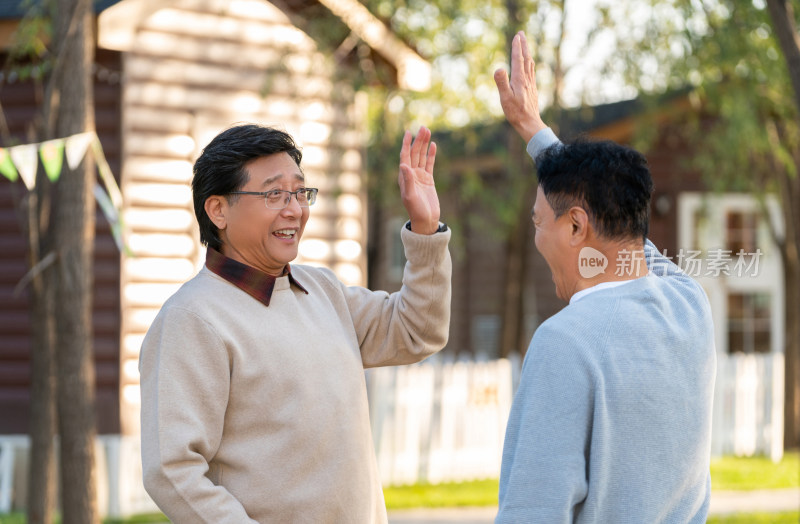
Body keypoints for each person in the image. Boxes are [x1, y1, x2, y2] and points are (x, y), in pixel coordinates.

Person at [139, 123, 451, 523]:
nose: (295, 209)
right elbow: (171, 470)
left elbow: (416, 332)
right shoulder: (192, 320)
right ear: (218, 210)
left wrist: (425, 230)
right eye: (273, 194)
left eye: (300, 192)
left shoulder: (322, 291)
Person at [492, 32, 716, 523]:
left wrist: (535, 132)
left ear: (575, 226)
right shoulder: (689, 303)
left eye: (539, 223)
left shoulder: (565, 343)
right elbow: (633, 244)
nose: (536, 237)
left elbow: (534, 511)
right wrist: (535, 132)